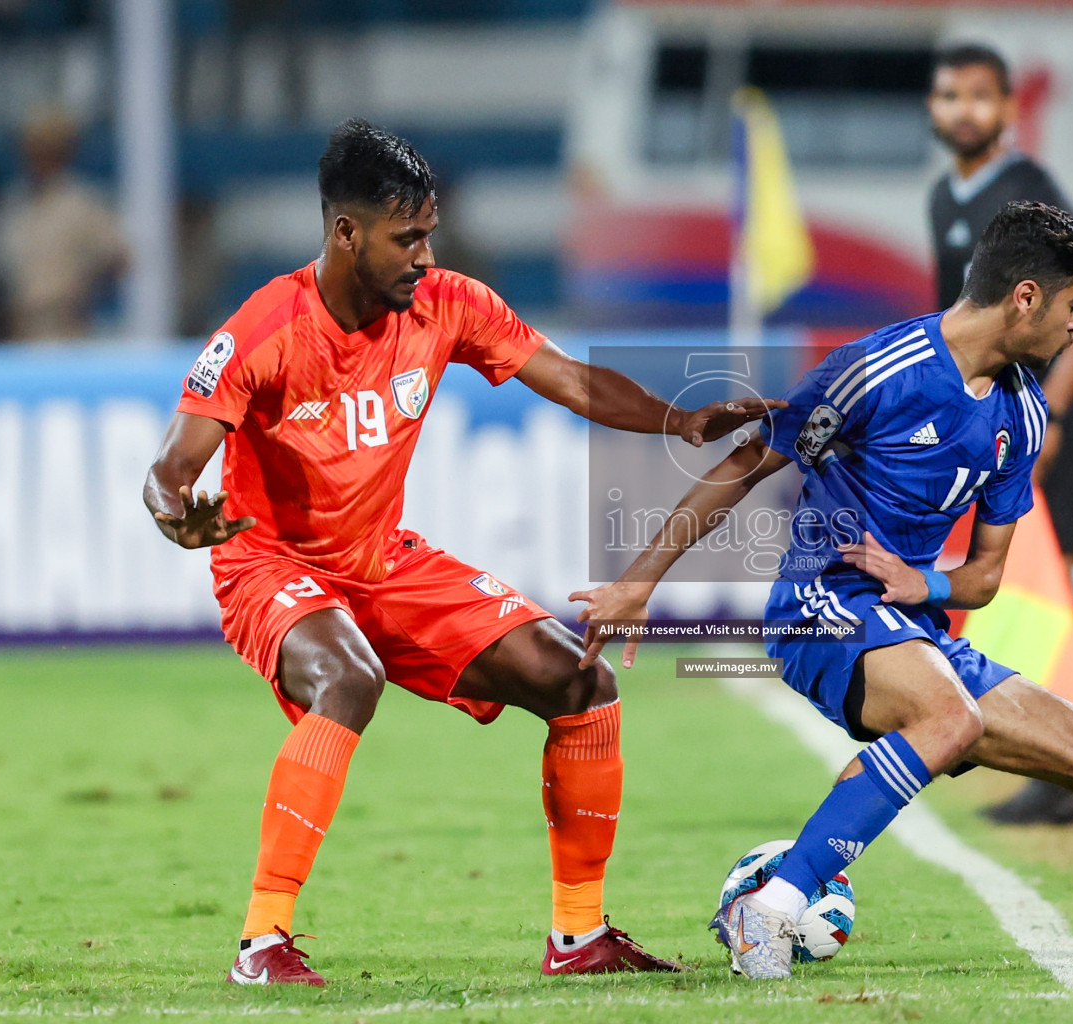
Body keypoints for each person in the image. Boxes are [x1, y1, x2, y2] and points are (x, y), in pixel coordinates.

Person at [572, 202, 1073, 979]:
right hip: (818, 609)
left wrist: (922, 580)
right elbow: (745, 465)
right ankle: (766, 906)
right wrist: (638, 585)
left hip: (914, 628)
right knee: (947, 716)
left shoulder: (1024, 416)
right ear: (1026, 298)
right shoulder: (880, 370)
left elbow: (985, 577)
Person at [143, 119, 781, 986]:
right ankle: (262, 944)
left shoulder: (449, 302)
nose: (423, 253)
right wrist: (179, 514)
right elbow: (171, 468)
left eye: (428, 233)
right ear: (345, 233)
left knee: (580, 680)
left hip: (382, 561)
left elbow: (572, 378)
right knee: (348, 677)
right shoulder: (265, 328)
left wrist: (676, 417)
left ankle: (578, 936)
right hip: (271, 565)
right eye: (406, 237)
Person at [927, 43, 1073, 825]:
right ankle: (1062, 763)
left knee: (1052, 583)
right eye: (947, 95)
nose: (962, 110)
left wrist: (1057, 412)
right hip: (996, 415)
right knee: (1023, 581)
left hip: (1044, 414)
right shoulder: (945, 195)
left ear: (1007, 108)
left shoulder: (1027, 189)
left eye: (979, 96)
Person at [0, 106, 128, 340]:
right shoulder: (13, 204)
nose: (37, 157)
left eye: (46, 148)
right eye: (32, 148)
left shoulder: (82, 202)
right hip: (20, 326)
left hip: (66, 328)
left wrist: (85, 293)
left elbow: (119, 257)